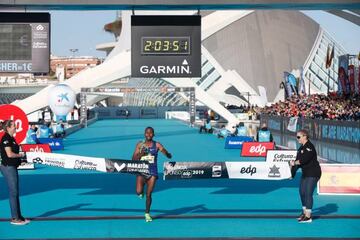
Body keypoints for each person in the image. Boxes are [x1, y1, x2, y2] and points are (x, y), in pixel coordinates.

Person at [131, 127, 172, 222]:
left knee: (149, 194)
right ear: (144, 134)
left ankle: (147, 213)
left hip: (152, 172)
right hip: (141, 171)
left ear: (153, 134)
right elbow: (133, 158)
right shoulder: (140, 144)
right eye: (147, 133)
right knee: (138, 191)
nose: (149, 134)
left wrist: (168, 155)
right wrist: (141, 154)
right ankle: (140, 193)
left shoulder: (157, 144)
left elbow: (164, 151)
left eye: (151, 133)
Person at [0, 120, 30, 225]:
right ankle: (14, 218)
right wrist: (20, 156)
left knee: (15, 192)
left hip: (12, 166)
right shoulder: (6, 138)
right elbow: (9, 154)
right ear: (8, 128)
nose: (15, 127)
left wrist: (19, 160)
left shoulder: (12, 138)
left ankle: (19, 216)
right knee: (13, 192)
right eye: (13, 126)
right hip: (8, 167)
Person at [290, 129, 321, 223]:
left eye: (298, 137)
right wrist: (292, 174)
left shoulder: (309, 147)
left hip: (313, 173)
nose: (297, 139)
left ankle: (308, 216)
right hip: (306, 173)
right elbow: (297, 164)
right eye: (297, 137)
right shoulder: (300, 148)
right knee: (302, 192)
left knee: (308, 193)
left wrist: (293, 162)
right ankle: (304, 213)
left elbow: (304, 160)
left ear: (305, 136)